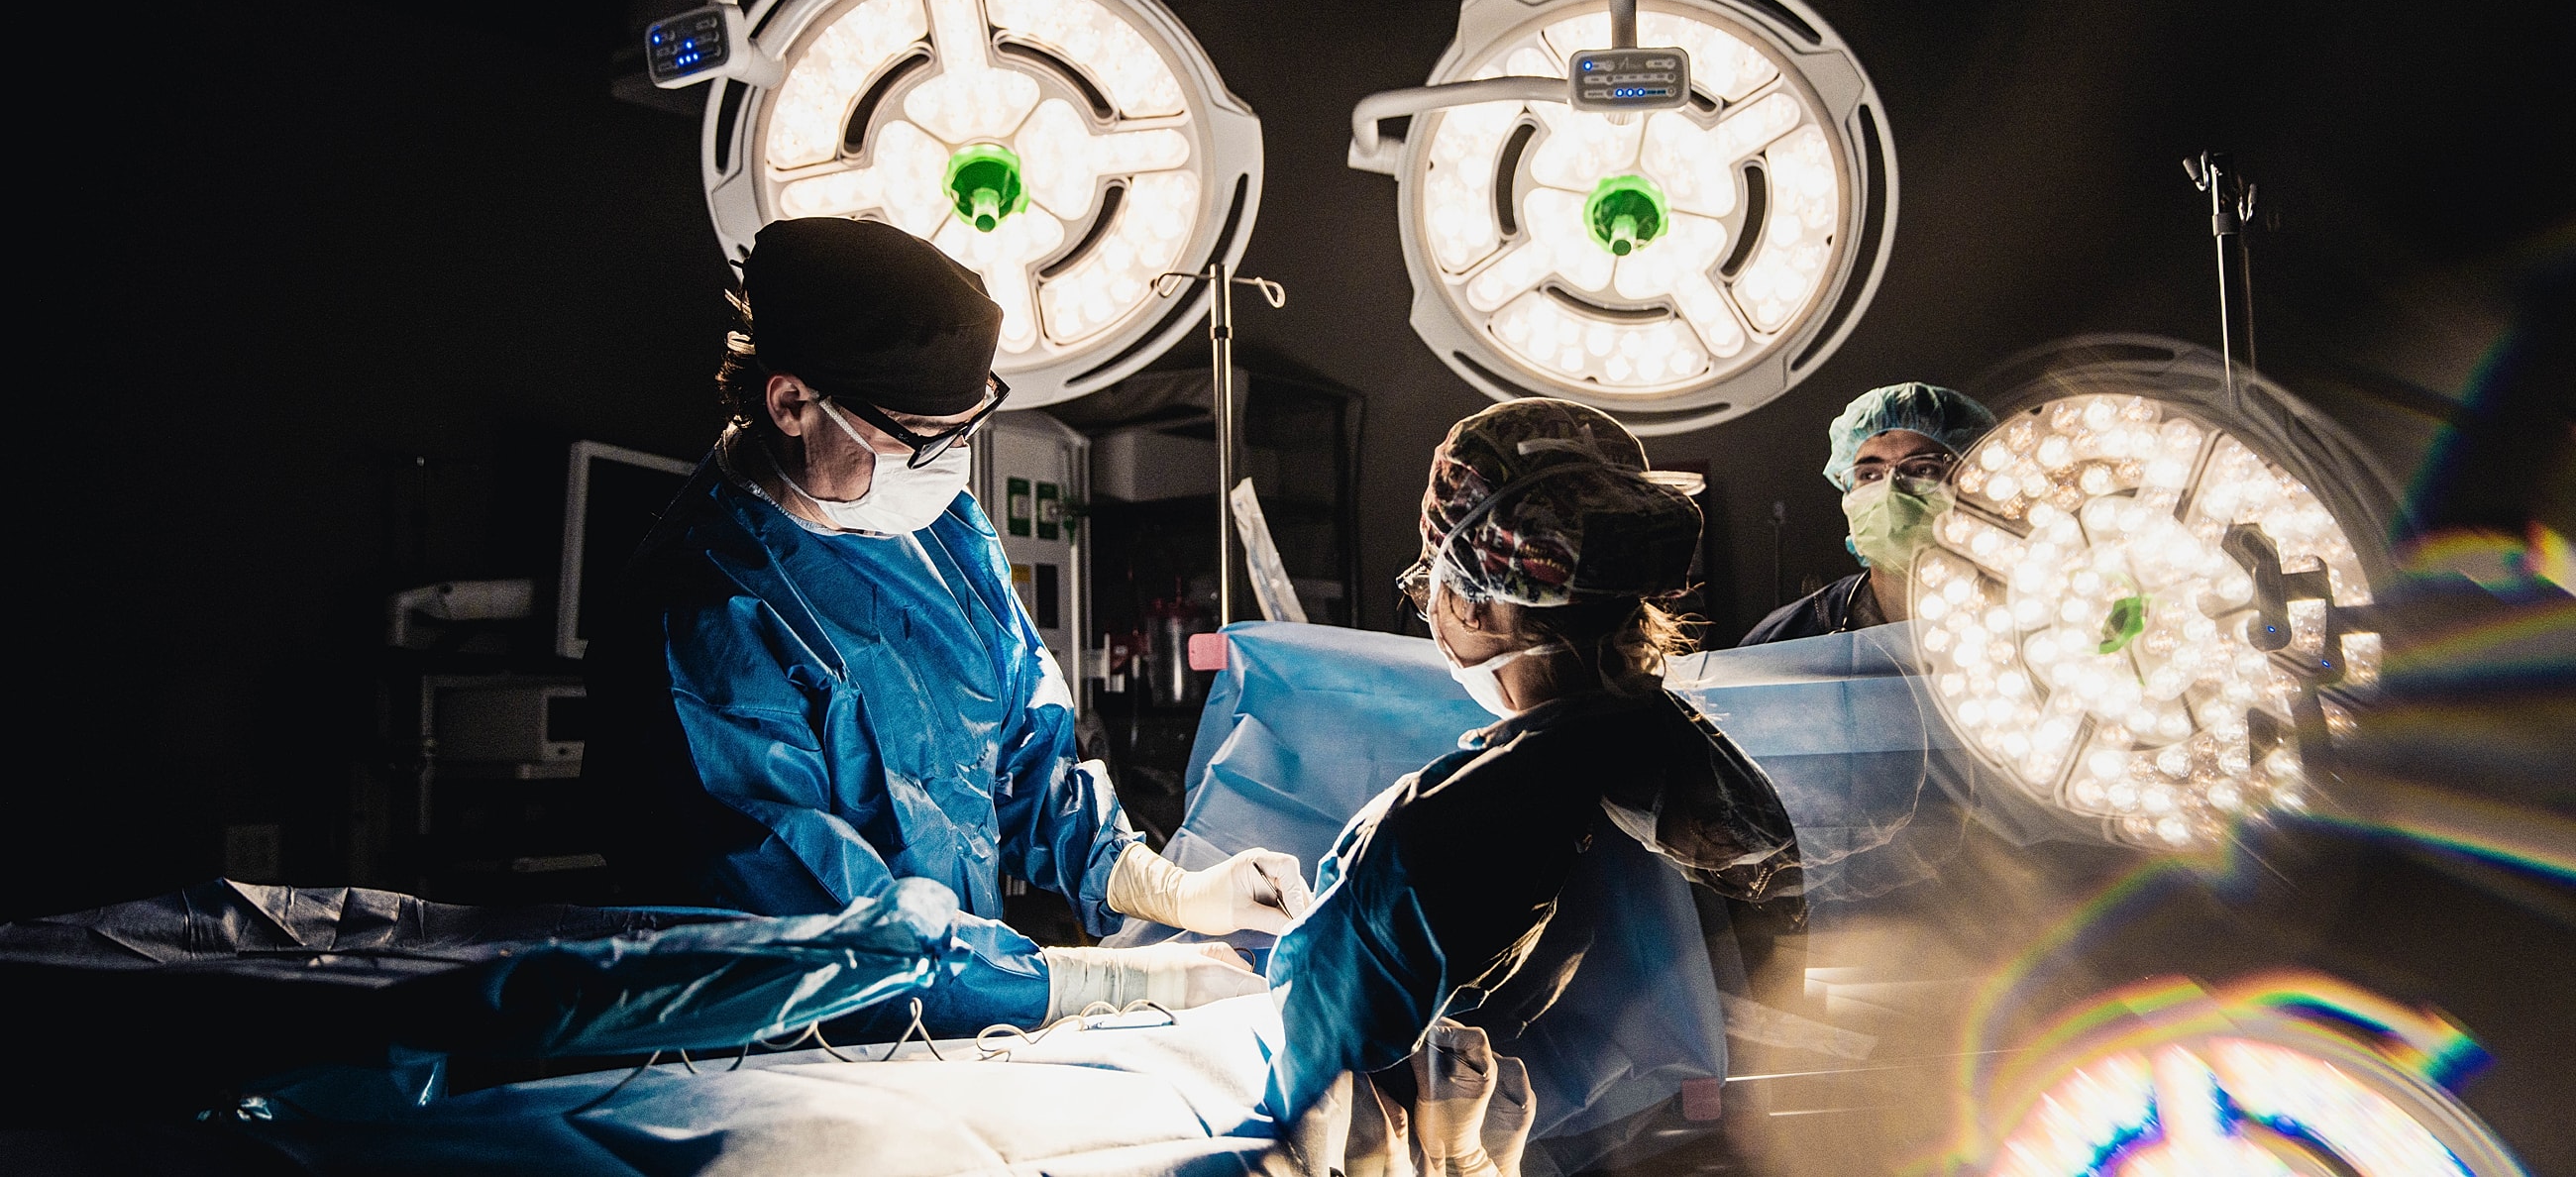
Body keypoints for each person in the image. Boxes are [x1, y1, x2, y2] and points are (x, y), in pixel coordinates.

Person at [585, 216, 1308, 1032]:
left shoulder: (943, 534)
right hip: (785, 1057)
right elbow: (832, 948)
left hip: (966, 1012)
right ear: (792, 403)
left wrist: (1168, 885)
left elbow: (1030, 762)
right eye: (924, 441)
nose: (950, 465)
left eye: (966, 431)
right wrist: (1110, 982)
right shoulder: (704, 622)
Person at [1264, 398, 1797, 1164]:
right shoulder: (1691, 764)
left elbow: (1313, 1048)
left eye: (1433, 585)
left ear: (1477, 598)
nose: (1432, 610)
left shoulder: (1445, 830)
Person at [1740, 382, 1995, 645]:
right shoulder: (1784, 639)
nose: (1890, 491)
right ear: (1847, 493)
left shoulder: (2024, 622)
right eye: (1869, 475)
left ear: (1975, 486)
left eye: (1922, 469)